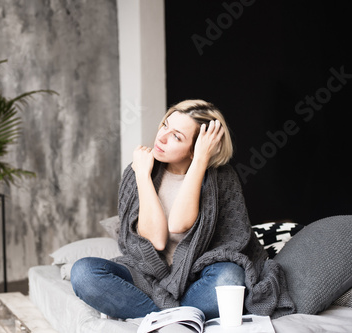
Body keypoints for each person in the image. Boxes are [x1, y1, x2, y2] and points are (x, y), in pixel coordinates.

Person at [70, 99, 295, 320]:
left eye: (177, 136)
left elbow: (182, 225)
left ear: (196, 149)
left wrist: (199, 161)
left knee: (230, 277)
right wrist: (142, 175)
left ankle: (164, 318)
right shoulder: (139, 169)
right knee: (83, 273)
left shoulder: (222, 178)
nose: (162, 137)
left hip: (196, 281)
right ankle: (175, 319)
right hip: (146, 277)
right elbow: (156, 240)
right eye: (166, 125)